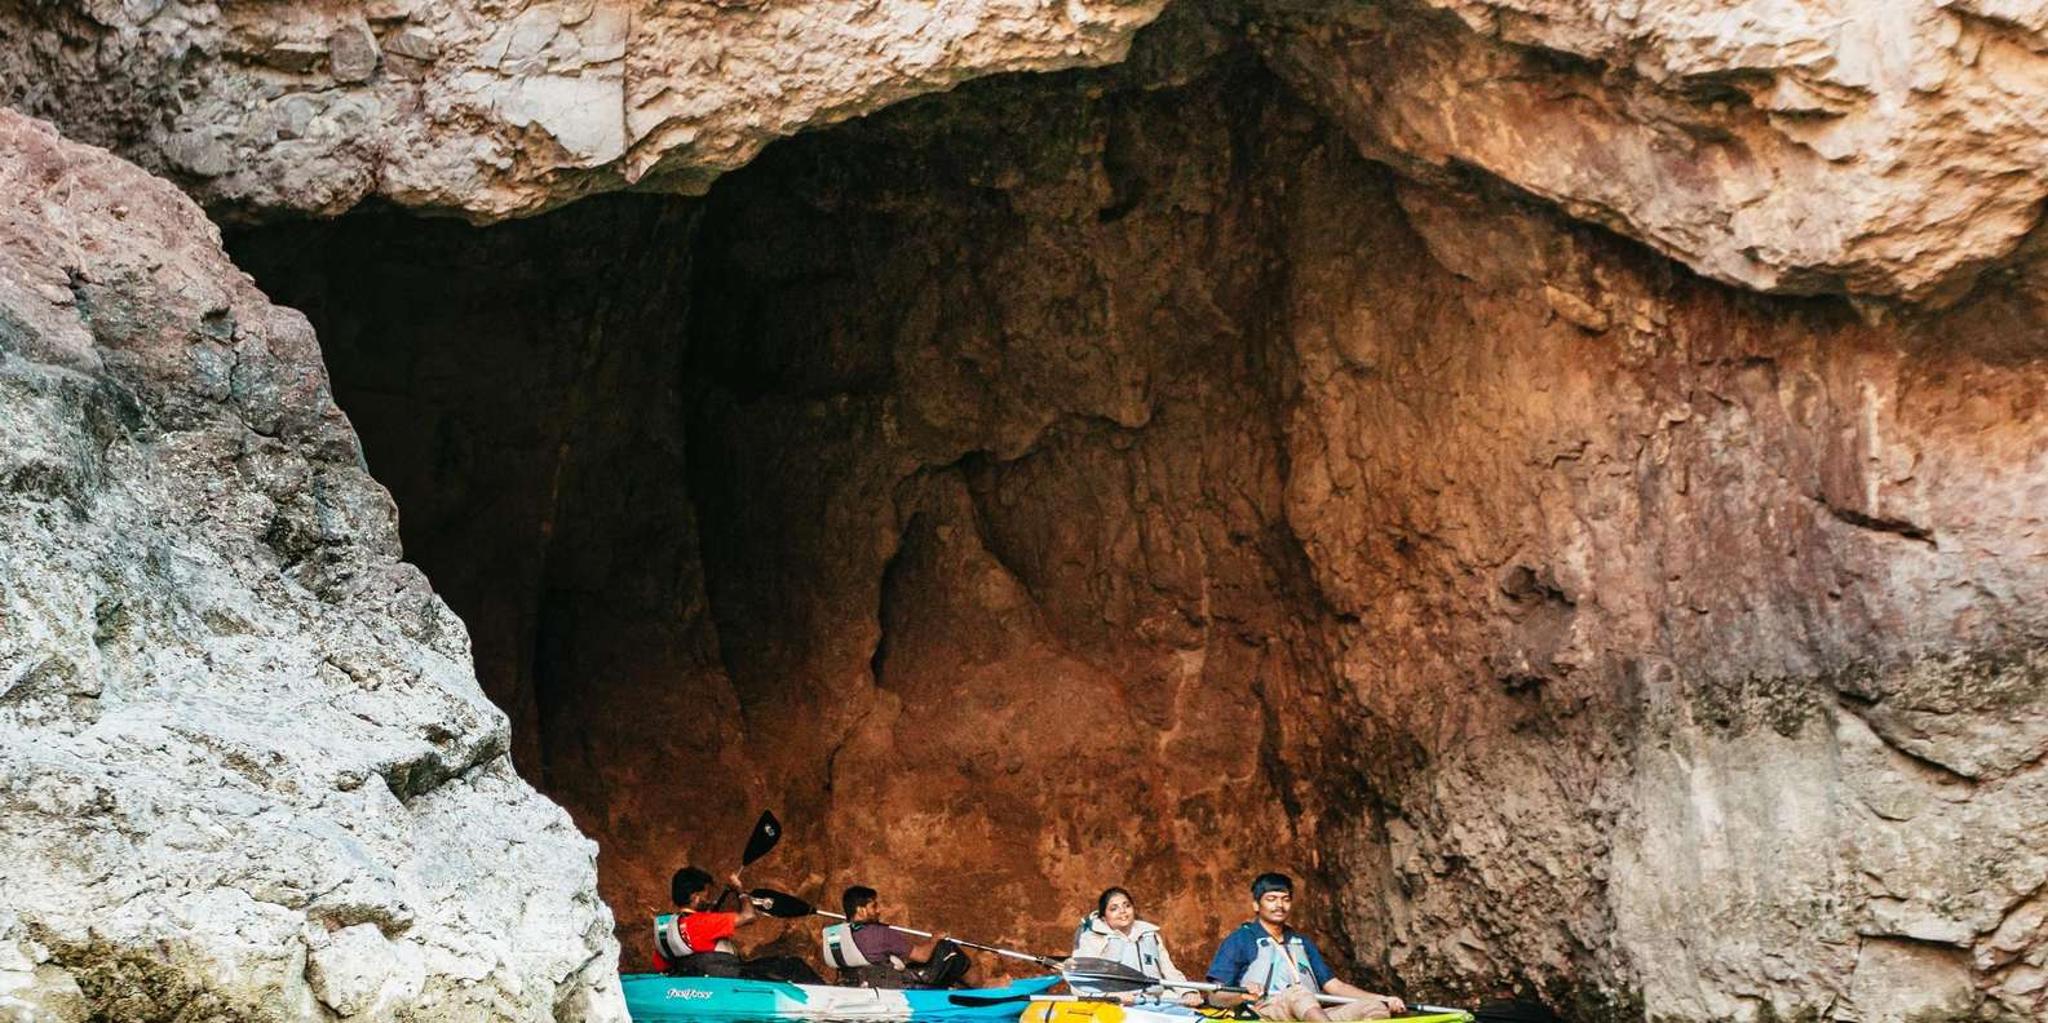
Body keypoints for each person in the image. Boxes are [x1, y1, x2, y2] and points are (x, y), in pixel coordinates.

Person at [1205, 873, 1405, 1021]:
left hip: (1310, 1014)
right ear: (1257, 905)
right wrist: (1241, 993)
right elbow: (1215, 996)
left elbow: (1335, 986)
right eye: (1271, 899)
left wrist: (1383, 998)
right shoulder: (1240, 940)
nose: (1279, 906)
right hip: (1264, 1013)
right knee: (1298, 993)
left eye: (1285, 899)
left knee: (1374, 1008)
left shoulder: (1301, 942)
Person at [656, 865, 823, 983]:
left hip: (699, 982)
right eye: (706, 894)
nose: (711, 899)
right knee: (792, 964)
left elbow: (662, 965)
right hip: (728, 980)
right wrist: (740, 891)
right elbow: (749, 916)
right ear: (695, 897)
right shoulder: (704, 923)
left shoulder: (666, 927)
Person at [1070, 887, 1202, 1007]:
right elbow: (1079, 982)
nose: (1122, 911)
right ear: (1104, 917)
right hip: (1115, 1005)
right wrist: (1110, 996)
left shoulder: (1150, 936)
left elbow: (1170, 971)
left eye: (1126, 905)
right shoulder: (1091, 939)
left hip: (1154, 1000)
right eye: (1114, 908)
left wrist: (1187, 992)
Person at [819, 885, 971, 989]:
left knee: (908, 964)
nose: (879, 910)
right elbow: (922, 956)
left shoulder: (835, 934)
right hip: (892, 986)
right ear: (861, 910)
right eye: (874, 906)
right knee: (947, 949)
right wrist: (935, 939)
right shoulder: (882, 934)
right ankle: (970, 991)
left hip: (854, 982)